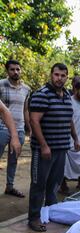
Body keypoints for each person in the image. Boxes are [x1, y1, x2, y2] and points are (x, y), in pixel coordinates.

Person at [28, 63, 80, 232]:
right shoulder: (41, 94)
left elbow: (69, 118)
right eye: (56, 74)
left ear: (67, 77)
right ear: (51, 74)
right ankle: (34, 218)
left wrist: (75, 138)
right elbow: (34, 121)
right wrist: (44, 146)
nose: (59, 78)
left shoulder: (66, 95)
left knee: (54, 184)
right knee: (39, 184)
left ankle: (51, 212)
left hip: (61, 148)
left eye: (63, 75)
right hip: (44, 150)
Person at [0, 60, 30, 198]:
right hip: (2, 128)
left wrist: (29, 129)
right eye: (12, 69)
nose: (15, 72)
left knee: (13, 160)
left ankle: (10, 187)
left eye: (18, 69)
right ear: (7, 71)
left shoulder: (26, 89)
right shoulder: (1, 85)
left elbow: (25, 110)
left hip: (19, 130)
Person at [60, 80, 80, 193]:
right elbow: (67, 121)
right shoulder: (69, 102)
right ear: (75, 90)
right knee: (65, 164)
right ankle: (62, 185)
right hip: (68, 140)